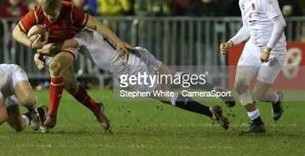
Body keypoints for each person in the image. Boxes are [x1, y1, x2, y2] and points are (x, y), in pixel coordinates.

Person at [36, 28, 233, 130]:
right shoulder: (94, 29)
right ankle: (214, 88)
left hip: (129, 69)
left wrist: (37, 48)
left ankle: (209, 112)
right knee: (174, 77)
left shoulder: (77, 38)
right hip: (136, 52)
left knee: (165, 95)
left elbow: (55, 48)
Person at [12, 0, 131, 132]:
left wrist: (118, 41)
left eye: (53, 15)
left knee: (56, 67)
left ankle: (51, 115)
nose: (49, 18)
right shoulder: (37, 12)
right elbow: (16, 32)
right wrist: (31, 45)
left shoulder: (70, 10)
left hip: (67, 45)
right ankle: (97, 109)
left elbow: (97, 25)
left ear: (59, 8)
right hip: (48, 50)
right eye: (47, 14)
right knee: (71, 87)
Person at [220, 0, 285, 134]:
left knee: (260, 94)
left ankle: (277, 98)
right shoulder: (243, 1)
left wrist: (268, 49)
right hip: (252, 47)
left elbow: (280, 25)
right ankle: (256, 122)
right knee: (240, 85)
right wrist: (231, 42)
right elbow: (247, 28)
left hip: (273, 49)